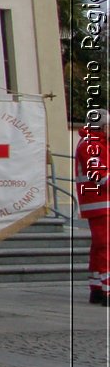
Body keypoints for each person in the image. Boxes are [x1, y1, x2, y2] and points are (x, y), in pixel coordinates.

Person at [77, 119, 109, 304]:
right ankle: (107, 290)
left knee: (100, 247)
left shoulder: (96, 143)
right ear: (104, 126)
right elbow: (100, 175)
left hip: (99, 203)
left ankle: (97, 287)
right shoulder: (91, 144)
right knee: (106, 246)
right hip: (99, 202)